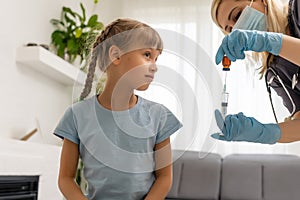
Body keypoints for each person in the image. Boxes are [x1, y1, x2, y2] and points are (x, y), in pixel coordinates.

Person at [54, 18, 182, 200]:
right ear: (116, 55)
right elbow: (65, 178)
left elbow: (165, 178)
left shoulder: (159, 116)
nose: (154, 66)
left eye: (156, 58)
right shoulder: (76, 115)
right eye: (147, 54)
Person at [210, 0, 300, 144]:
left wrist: (272, 42)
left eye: (237, 15)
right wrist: (263, 132)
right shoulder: (275, 72)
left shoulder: (297, 8)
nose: (238, 28)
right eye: (231, 30)